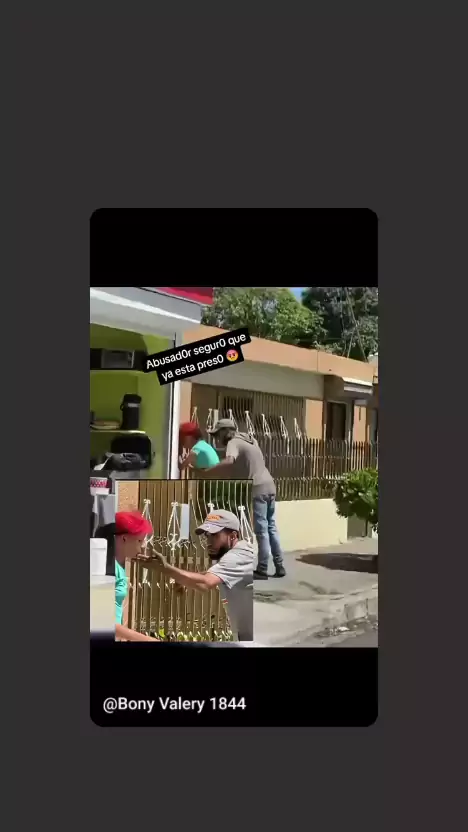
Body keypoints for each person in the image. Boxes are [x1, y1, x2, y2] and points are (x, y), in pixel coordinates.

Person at [152, 509, 254, 641]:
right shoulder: (236, 552)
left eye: (215, 535)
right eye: (207, 536)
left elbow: (205, 583)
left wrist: (164, 568)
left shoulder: (236, 557)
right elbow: (210, 575)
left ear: (233, 536)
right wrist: (183, 581)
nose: (209, 542)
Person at [205, 418, 286, 580]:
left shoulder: (233, 442)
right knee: (271, 527)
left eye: (217, 434)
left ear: (225, 432)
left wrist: (206, 472)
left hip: (258, 487)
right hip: (270, 484)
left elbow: (229, 461)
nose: (216, 439)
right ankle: (279, 565)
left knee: (261, 530)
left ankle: (262, 568)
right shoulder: (250, 439)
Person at [114, 511, 160, 642]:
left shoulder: (118, 566)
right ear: (124, 538)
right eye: (139, 540)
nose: (143, 545)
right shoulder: (111, 568)